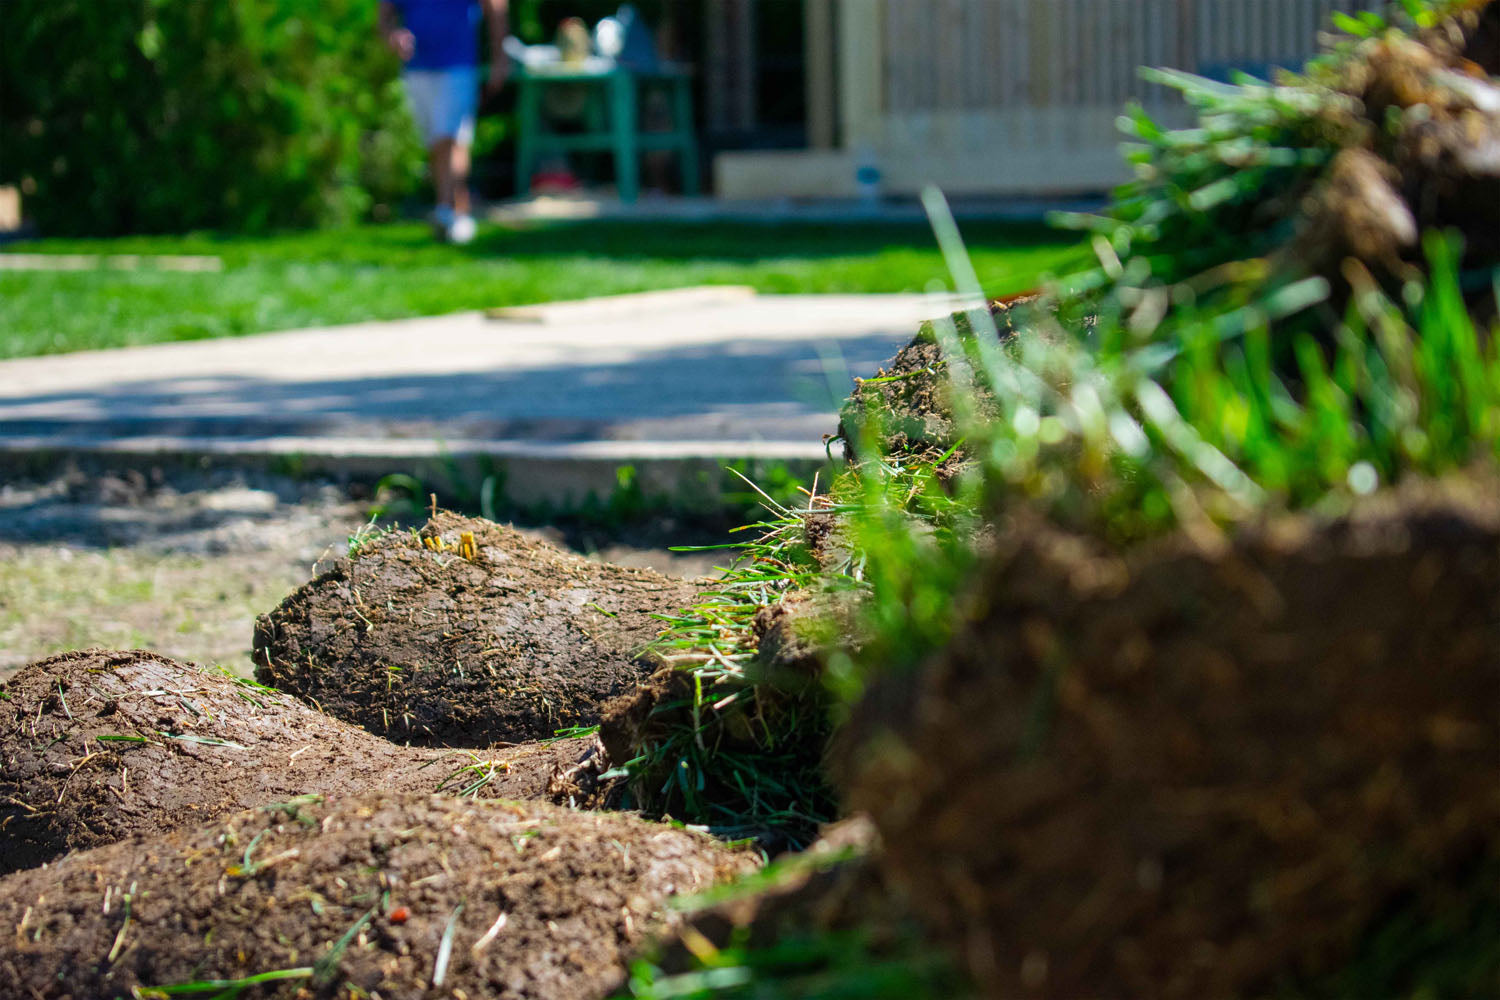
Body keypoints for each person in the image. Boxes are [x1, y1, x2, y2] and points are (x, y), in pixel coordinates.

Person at [379, 0, 510, 244]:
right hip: (417, 67)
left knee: (448, 136)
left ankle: (443, 209)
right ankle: (458, 212)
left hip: (459, 65)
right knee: (436, 143)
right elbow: (384, 17)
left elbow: (496, 6)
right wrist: (393, 36)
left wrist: (499, 56)